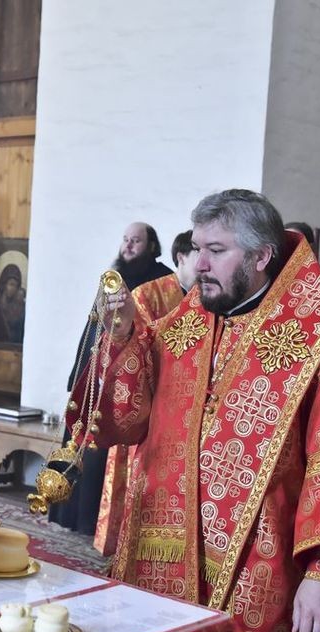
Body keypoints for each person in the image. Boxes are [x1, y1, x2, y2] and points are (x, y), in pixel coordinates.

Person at [69, 190, 320, 632]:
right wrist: (122, 336)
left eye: (216, 250)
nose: (199, 264)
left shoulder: (314, 344)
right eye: (198, 248)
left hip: (260, 562)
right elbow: (127, 419)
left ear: (261, 256)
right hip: (163, 550)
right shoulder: (182, 327)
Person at [51, 222, 173, 536]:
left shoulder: (161, 281)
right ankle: (67, 515)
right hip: (96, 372)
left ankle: (92, 522)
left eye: (136, 241)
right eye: (125, 240)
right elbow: (92, 327)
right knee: (78, 440)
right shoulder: (113, 277)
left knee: (101, 450)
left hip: (125, 382)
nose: (128, 246)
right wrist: (79, 374)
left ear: (151, 246)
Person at [95, 229, 200, 554]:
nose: (207, 263)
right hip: (146, 404)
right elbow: (132, 349)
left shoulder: (206, 298)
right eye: (201, 253)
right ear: (182, 256)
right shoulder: (149, 295)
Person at [132, 229, 198, 323]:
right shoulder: (145, 295)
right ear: (181, 258)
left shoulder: (213, 295)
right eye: (199, 255)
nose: (206, 263)